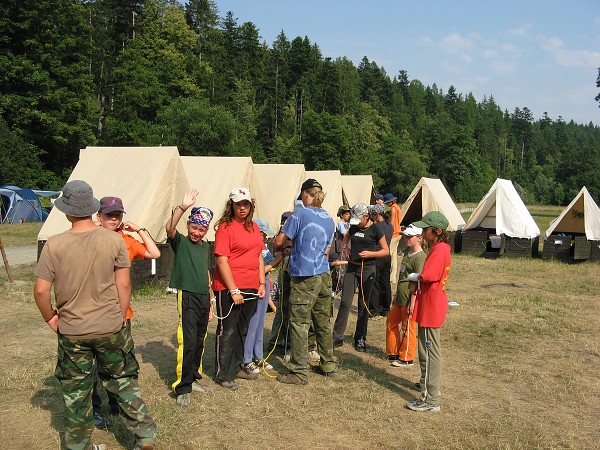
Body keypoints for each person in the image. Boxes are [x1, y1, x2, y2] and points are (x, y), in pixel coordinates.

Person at [33, 180, 156, 450]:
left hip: (72, 330)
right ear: (92, 209)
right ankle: (145, 437)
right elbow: (124, 284)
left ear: (66, 210)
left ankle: (78, 445)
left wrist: (51, 318)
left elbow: (41, 290)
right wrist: (122, 315)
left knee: (76, 392)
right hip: (110, 326)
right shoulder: (114, 240)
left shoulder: (54, 245)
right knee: (123, 381)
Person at [92, 196, 161, 426]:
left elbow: (154, 253)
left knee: (119, 363)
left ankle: (116, 404)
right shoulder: (89, 238)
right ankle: (95, 409)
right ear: (98, 217)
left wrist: (139, 229)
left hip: (121, 312)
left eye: (117, 215)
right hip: (94, 312)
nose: (113, 219)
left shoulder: (126, 240)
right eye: (108, 215)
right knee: (94, 365)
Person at [274, 179, 335, 385]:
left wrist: (291, 243)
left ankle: (299, 372)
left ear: (304, 194)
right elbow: (326, 249)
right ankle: (327, 364)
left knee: (299, 322)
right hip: (324, 274)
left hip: (305, 275)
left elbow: (279, 241)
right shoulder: (328, 218)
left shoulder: (299, 214)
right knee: (322, 321)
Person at [213, 187, 266, 391]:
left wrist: (261, 283)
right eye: (238, 204)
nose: (242, 208)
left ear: (250, 206)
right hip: (229, 287)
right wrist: (234, 290)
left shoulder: (253, 227)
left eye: (245, 204)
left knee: (243, 330)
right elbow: (221, 261)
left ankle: (235, 367)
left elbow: (258, 257)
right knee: (227, 331)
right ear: (231, 205)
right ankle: (222, 373)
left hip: (252, 285)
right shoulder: (225, 228)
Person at [166, 189, 214, 407]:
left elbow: (206, 273)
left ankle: (194, 377)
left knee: (200, 339)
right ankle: (182, 387)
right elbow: (169, 227)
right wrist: (183, 207)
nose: (197, 232)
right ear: (188, 225)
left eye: (201, 229)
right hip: (187, 295)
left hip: (204, 297)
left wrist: (211, 301)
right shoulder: (181, 242)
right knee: (189, 340)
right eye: (194, 227)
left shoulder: (205, 247)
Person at [405, 211, 451, 413]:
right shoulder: (438, 248)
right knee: (426, 351)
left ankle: (431, 399)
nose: (423, 232)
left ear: (437, 231)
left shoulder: (439, 250)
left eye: (426, 229)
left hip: (432, 308)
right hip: (429, 306)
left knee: (430, 353)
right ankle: (427, 389)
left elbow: (429, 275)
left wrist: (416, 276)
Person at [332, 203, 389, 352]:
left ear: (366, 216)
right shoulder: (354, 228)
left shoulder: (376, 229)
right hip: (352, 268)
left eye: (359, 220)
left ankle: (360, 337)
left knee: (363, 305)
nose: (356, 223)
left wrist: (371, 254)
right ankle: (337, 336)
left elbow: (385, 251)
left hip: (368, 269)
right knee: (345, 302)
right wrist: (345, 248)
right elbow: (346, 237)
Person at [242, 218, 281, 374]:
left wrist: (274, 262)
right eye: (263, 235)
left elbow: (268, 266)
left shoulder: (263, 247)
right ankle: (247, 359)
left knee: (259, 324)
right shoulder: (251, 248)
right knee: (252, 324)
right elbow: (260, 269)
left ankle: (258, 356)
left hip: (264, 285)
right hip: (255, 286)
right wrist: (275, 261)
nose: (265, 238)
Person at [386, 224, 426, 366]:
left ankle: (406, 358)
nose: (406, 238)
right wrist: (397, 296)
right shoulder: (407, 253)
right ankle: (393, 352)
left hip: (410, 299)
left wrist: (413, 302)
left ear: (420, 238)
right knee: (391, 322)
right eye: (406, 236)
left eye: (410, 236)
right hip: (401, 297)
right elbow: (402, 275)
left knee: (408, 327)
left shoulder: (420, 258)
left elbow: (418, 281)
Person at [267, 211, 293, 354]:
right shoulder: (282, 233)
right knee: (283, 308)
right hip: (285, 270)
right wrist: (284, 251)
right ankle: (276, 342)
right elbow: (276, 246)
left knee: (291, 309)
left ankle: (287, 342)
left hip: (296, 271)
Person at [368, 203, 393, 318]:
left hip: (377, 255)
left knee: (375, 284)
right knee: (385, 282)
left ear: (377, 214)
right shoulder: (390, 226)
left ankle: (374, 310)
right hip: (387, 256)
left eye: (373, 215)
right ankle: (386, 308)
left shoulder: (376, 227)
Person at [384, 193, 402, 294]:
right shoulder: (398, 207)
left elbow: (392, 222)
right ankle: (393, 278)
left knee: (388, 255)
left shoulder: (393, 209)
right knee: (394, 257)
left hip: (394, 234)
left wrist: (388, 231)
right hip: (398, 232)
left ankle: (388, 276)